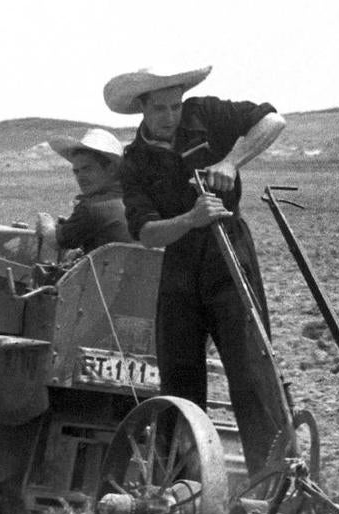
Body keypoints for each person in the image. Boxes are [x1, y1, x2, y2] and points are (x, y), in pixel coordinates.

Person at [103, 65, 287, 476]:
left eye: (175, 106)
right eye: (160, 109)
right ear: (143, 110)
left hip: (228, 253)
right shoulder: (134, 162)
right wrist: (189, 219)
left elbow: (274, 120)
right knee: (179, 379)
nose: (171, 116)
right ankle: (178, 489)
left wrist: (232, 161)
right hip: (178, 263)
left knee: (252, 372)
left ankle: (273, 486)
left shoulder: (206, 114)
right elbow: (148, 233)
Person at [38, 127, 131, 257]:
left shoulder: (92, 208)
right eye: (76, 171)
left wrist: (46, 225)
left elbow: (54, 241)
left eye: (87, 169)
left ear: (111, 169)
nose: (80, 177)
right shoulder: (135, 200)